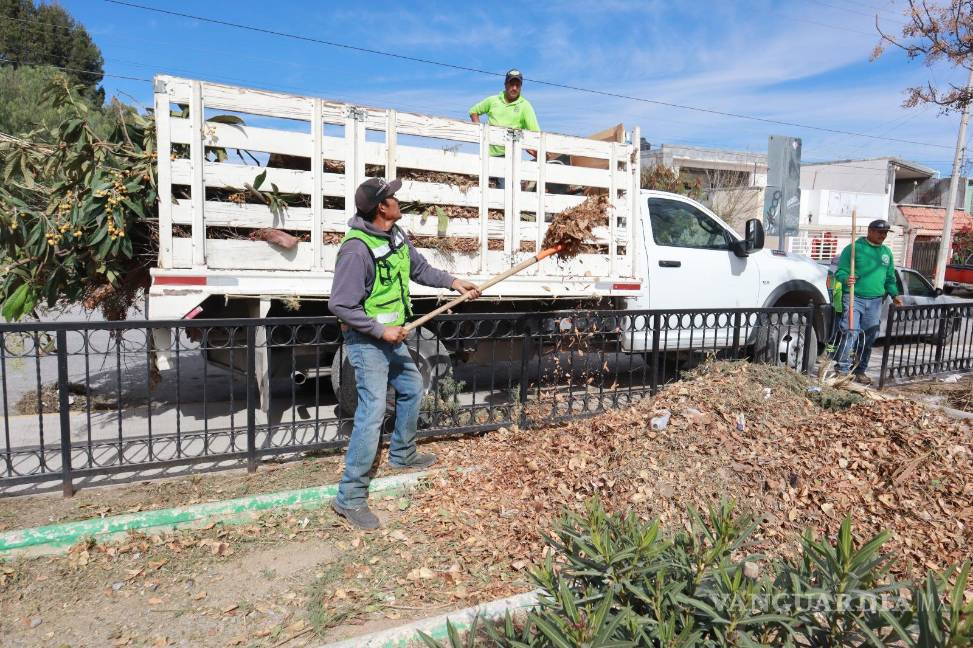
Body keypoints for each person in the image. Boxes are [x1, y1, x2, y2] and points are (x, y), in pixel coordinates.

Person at [327, 178, 480, 529]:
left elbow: (420, 269)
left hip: (393, 338)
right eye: (392, 197)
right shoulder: (356, 249)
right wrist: (380, 330)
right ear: (382, 207)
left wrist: (454, 282)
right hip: (367, 342)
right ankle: (349, 498)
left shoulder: (395, 235)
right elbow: (341, 304)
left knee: (411, 388)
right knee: (372, 412)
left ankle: (402, 453)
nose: (398, 200)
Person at [833, 219, 903, 384]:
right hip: (854, 297)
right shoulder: (854, 249)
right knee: (850, 332)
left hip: (876, 301)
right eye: (880, 232)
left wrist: (894, 294)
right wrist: (846, 278)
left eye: (885, 233)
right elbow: (840, 272)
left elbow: (890, 278)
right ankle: (842, 369)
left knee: (869, 337)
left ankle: (860, 370)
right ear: (870, 231)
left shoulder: (886, 253)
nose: (883, 235)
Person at [469, 69, 540, 161]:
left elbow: (535, 132)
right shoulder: (493, 100)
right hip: (488, 155)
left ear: (521, 87)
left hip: (512, 157)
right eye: (511, 84)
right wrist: (481, 132)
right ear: (505, 84)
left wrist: (528, 145)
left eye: (517, 85)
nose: (514, 88)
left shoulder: (525, 106)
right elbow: (473, 111)